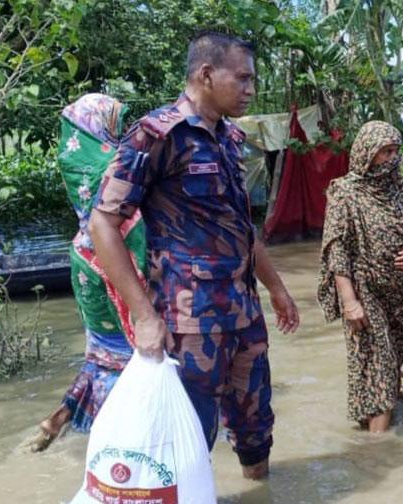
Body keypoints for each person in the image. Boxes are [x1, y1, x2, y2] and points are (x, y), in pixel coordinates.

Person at [90, 31, 300, 480]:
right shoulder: (157, 135)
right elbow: (103, 224)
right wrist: (144, 317)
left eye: (252, 80)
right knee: (188, 444)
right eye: (242, 78)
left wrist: (277, 289)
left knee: (256, 431)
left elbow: (241, 225)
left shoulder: (230, 138)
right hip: (189, 325)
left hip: (244, 316)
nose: (250, 89)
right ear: (206, 74)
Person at [29, 93, 146, 452]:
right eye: (115, 121)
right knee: (133, 359)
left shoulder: (73, 156)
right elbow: (130, 220)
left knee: (103, 353)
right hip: (113, 260)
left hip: (83, 259)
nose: (121, 128)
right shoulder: (114, 161)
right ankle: (118, 443)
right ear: (102, 123)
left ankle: (58, 419)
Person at [318, 120, 403, 434]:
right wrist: (349, 301)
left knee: (390, 362)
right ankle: (379, 454)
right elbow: (337, 249)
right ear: (366, 154)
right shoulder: (345, 192)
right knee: (380, 366)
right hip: (365, 291)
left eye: (394, 151)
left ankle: (369, 424)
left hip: (400, 293)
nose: (391, 159)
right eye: (384, 152)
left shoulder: (399, 189)